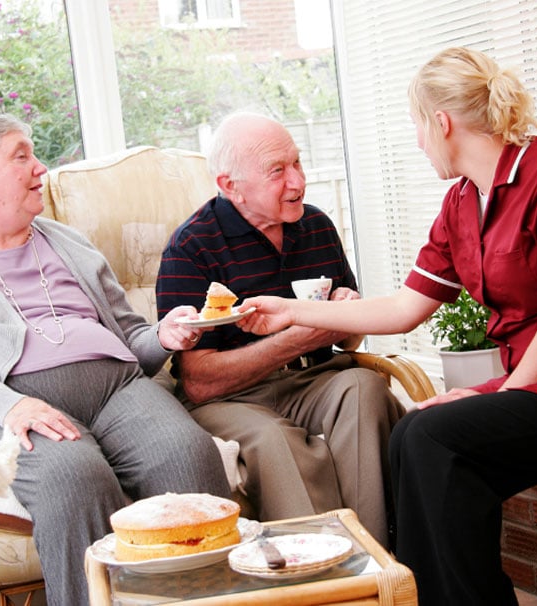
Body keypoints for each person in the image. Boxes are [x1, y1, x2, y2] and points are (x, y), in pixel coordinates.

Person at [235, 47, 537, 604]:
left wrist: (497, 397)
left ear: (441, 122)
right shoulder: (461, 202)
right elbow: (404, 308)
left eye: (418, 129)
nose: (420, 143)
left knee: (435, 437)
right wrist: (290, 310)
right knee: (412, 432)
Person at [0, 112, 231, 606]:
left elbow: (132, 336)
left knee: (187, 456)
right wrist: (9, 408)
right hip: (21, 405)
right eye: (21, 156)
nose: (39, 168)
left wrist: (167, 336)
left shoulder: (69, 242)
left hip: (118, 390)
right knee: (76, 479)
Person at [155, 112, 405, 546]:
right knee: (276, 441)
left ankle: (373, 562)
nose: (298, 182)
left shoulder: (317, 226)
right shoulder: (192, 247)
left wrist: (346, 314)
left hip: (316, 379)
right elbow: (199, 381)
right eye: (278, 171)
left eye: (297, 163)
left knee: (366, 389)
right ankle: (316, 577)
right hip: (233, 398)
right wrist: (301, 334)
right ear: (230, 185)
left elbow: (349, 338)